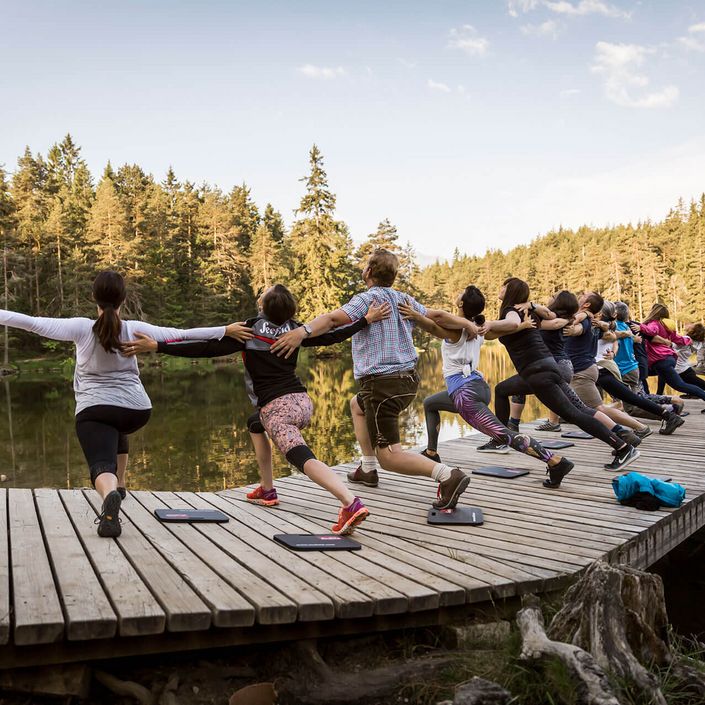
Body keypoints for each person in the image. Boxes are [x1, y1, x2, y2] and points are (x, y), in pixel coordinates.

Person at [127, 284, 391, 535]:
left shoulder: (250, 331)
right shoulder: (296, 330)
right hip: (301, 402)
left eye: (262, 296)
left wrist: (158, 346)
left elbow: (206, 347)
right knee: (255, 423)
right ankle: (267, 489)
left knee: (302, 458)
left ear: (263, 307)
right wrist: (365, 320)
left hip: (278, 411)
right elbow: (332, 336)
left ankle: (350, 502)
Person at [0, 271, 244, 537]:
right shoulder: (134, 328)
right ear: (123, 300)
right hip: (137, 410)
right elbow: (182, 334)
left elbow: (30, 322)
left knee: (101, 463)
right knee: (115, 428)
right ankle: (122, 484)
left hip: (95, 408)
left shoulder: (81, 328)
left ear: (94, 297)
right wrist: (225, 329)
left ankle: (109, 493)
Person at [269, 249, 470, 509]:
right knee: (357, 405)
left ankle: (448, 476)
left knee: (390, 456)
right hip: (406, 381)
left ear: (369, 272)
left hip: (382, 384)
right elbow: (439, 317)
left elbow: (332, 320)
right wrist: (467, 325)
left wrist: (302, 331)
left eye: (365, 267)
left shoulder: (367, 300)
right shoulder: (403, 299)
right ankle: (367, 468)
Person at [400, 286, 574, 487]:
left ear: (461, 303)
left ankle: (555, 461)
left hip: (465, 395)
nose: (458, 294)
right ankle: (431, 452)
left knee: (504, 435)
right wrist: (523, 325)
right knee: (430, 403)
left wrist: (414, 314)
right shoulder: (479, 329)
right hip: (477, 387)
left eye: (460, 294)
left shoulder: (457, 329)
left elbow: (433, 325)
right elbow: (498, 332)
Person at [484, 278, 639, 478]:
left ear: (511, 291)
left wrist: (489, 323)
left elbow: (512, 323)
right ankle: (501, 439)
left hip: (538, 371)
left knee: (574, 414)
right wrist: (481, 327)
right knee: (502, 390)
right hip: (544, 367)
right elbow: (498, 332)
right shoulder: (527, 312)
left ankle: (623, 448)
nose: (500, 288)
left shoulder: (512, 311)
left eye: (503, 286)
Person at [562, 291, 653, 439]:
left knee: (598, 408)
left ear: (587, 304)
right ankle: (622, 433)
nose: (580, 296)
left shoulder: (585, 322)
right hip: (585, 368)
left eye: (584, 296)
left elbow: (574, 328)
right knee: (588, 407)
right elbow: (610, 332)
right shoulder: (592, 321)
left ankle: (636, 429)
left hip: (581, 370)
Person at [591, 301, 684, 435]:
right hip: (628, 368)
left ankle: (664, 415)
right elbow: (616, 338)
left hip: (619, 369)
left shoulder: (607, 328)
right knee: (634, 399)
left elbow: (613, 336)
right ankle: (668, 413)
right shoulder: (620, 326)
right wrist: (616, 349)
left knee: (632, 404)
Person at [640, 304, 705, 411]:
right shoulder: (667, 326)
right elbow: (678, 338)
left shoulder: (654, 324)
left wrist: (640, 326)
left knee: (680, 386)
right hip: (668, 359)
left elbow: (651, 331)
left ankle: (649, 402)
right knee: (641, 373)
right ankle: (650, 400)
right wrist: (687, 340)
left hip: (662, 359)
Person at [655, 321, 705, 395]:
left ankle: (658, 395)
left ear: (693, 331)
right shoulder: (698, 343)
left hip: (679, 370)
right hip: (685, 369)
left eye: (692, 326)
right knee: (662, 370)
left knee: (696, 388)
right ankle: (659, 395)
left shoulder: (686, 339)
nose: (690, 325)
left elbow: (671, 344)